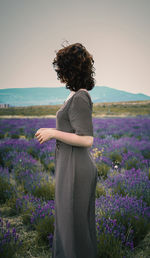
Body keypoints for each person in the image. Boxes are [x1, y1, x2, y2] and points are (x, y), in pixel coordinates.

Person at [35, 42, 98, 258]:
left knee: (75, 227)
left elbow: (87, 139)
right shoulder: (72, 95)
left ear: (70, 69)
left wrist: (53, 133)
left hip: (76, 169)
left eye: (61, 68)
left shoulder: (80, 96)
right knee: (67, 224)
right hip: (68, 166)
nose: (59, 72)